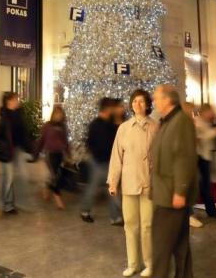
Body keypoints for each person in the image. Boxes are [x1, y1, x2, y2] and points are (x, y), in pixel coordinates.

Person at [108, 90, 158, 277]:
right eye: (135, 101)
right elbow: (116, 157)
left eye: (142, 101)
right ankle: (133, 263)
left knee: (147, 226)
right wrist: (113, 182)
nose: (138, 104)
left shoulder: (155, 127)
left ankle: (150, 263)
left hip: (149, 183)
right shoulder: (124, 128)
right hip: (129, 183)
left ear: (147, 104)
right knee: (130, 225)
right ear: (131, 104)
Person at [151, 84, 198, 278]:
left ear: (167, 99)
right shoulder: (167, 121)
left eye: (156, 98)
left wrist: (180, 191)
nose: (154, 101)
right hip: (165, 193)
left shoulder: (181, 122)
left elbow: (184, 158)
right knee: (180, 245)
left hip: (171, 196)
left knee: (161, 247)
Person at [80, 97, 123, 224]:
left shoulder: (110, 123)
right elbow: (91, 143)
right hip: (99, 162)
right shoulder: (96, 124)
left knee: (112, 189)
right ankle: (85, 211)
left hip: (109, 161)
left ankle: (115, 217)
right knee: (93, 188)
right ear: (107, 109)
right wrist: (98, 157)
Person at [0, 92, 33, 215]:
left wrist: (30, 148)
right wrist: (3, 145)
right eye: (15, 99)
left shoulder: (18, 115)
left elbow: (23, 133)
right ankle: (6, 204)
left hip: (16, 150)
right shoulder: (4, 117)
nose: (18, 101)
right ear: (9, 102)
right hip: (7, 151)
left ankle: (10, 203)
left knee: (17, 176)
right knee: (9, 178)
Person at [35, 104, 70, 210]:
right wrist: (36, 153)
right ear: (53, 114)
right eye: (57, 114)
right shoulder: (47, 126)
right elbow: (41, 140)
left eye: (61, 114)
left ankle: (47, 187)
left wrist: (68, 154)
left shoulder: (63, 127)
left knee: (56, 175)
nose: (59, 116)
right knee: (55, 176)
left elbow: (65, 141)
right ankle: (58, 199)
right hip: (50, 154)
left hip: (60, 153)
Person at [195, 103, 216, 219]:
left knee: (205, 185)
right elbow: (200, 138)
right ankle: (212, 211)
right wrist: (214, 132)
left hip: (205, 156)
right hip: (201, 157)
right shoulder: (198, 123)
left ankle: (212, 210)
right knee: (204, 185)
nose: (212, 114)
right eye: (210, 111)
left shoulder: (205, 123)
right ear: (205, 111)